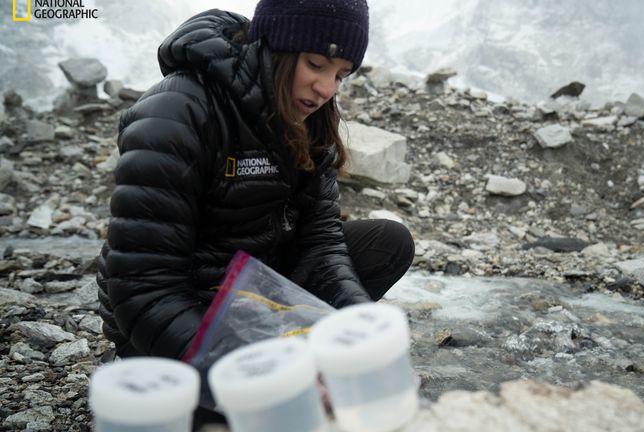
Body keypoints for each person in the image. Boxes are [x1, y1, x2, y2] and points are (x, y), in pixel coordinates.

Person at [95, 0, 414, 425]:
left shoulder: (310, 121)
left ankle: (289, 359)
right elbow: (143, 288)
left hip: (254, 288)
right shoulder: (176, 114)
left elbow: (321, 244)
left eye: (340, 75)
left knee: (387, 244)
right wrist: (254, 372)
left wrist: (358, 333)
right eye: (316, 64)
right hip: (183, 305)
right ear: (275, 47)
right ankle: (174, 377)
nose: (326, 89)